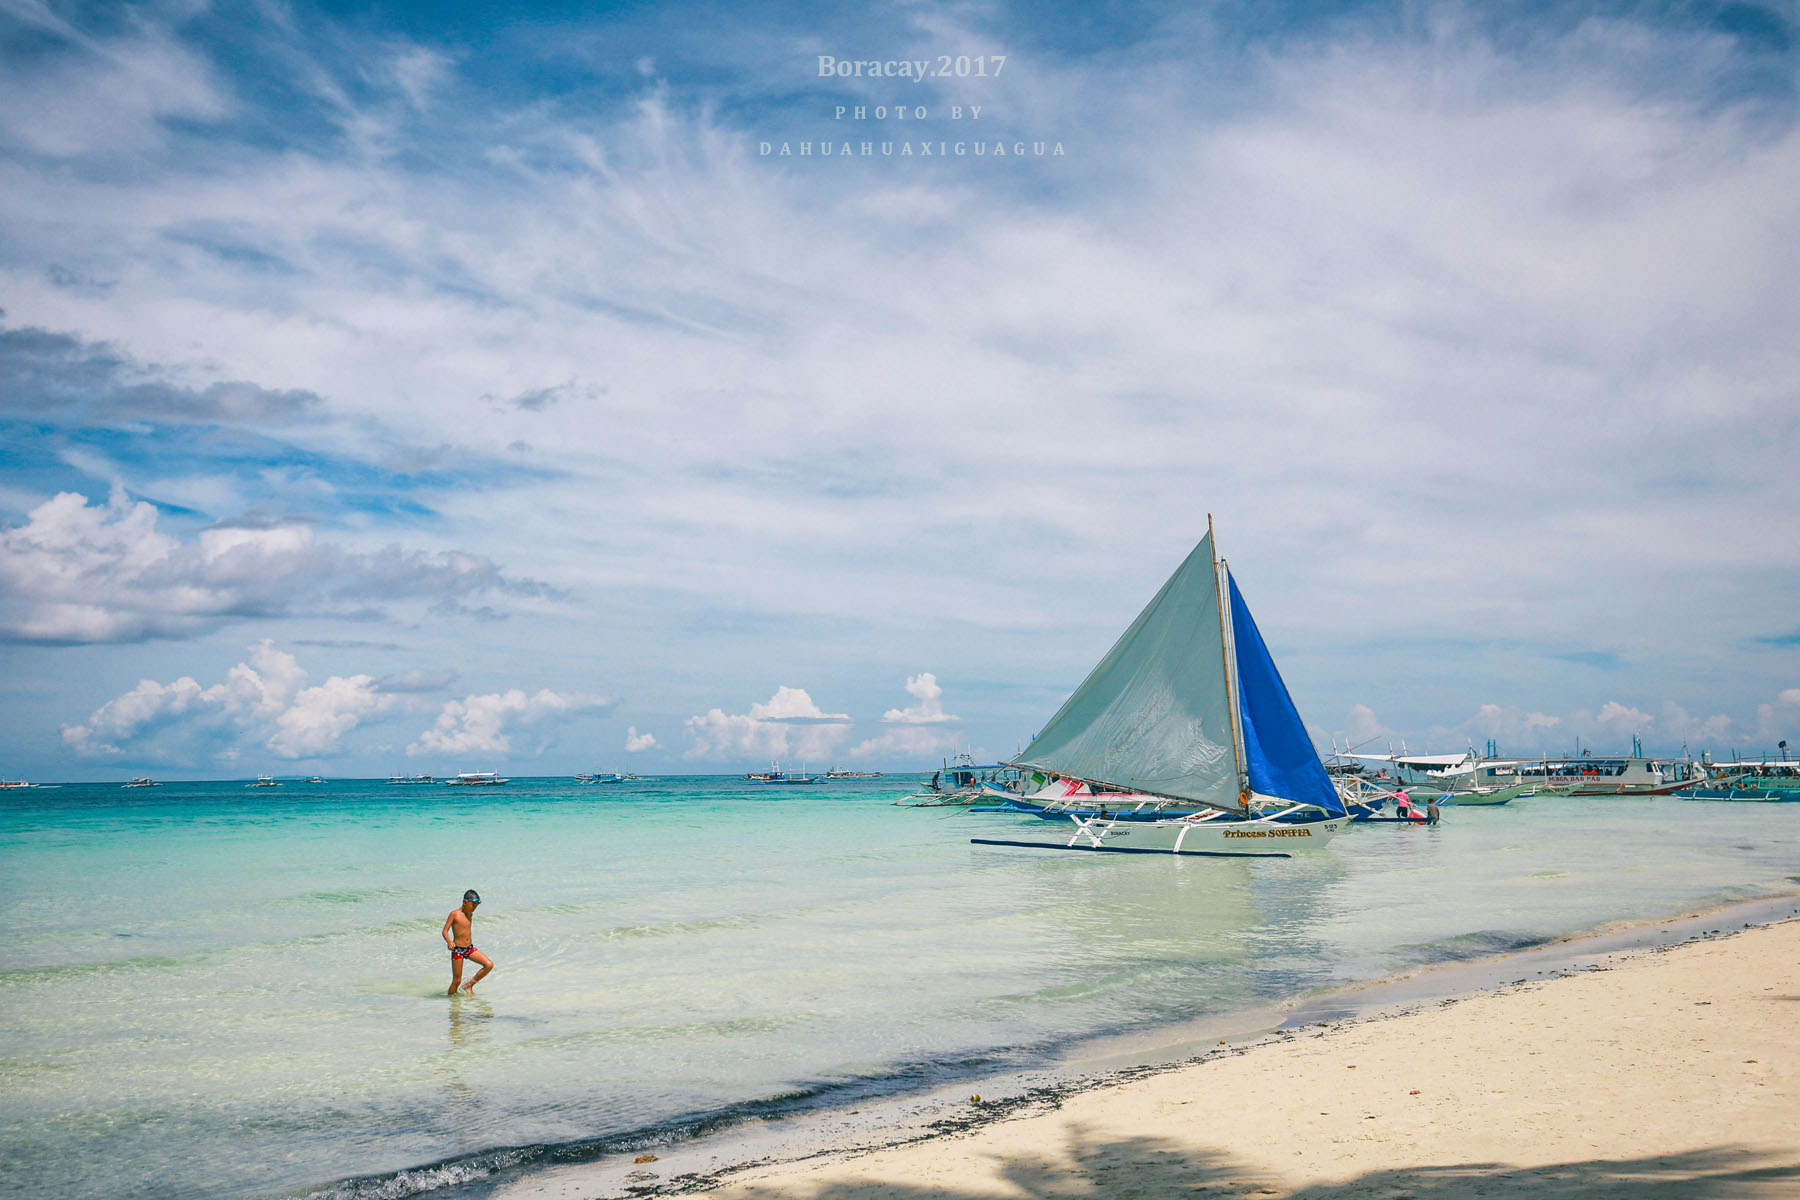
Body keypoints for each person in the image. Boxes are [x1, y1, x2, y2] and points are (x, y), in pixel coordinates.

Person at [442, 889, 494, 996]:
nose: (474, 908)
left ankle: (469, 985)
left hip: (469, 948)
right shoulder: (454, 914)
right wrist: (449, 941)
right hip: (458, 950)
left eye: (476, 906)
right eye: (473, 905)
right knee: (456, 981)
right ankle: (451, 1002)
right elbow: (444, 931)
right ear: (465, 902)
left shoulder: (470, 914)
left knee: (488, 965)